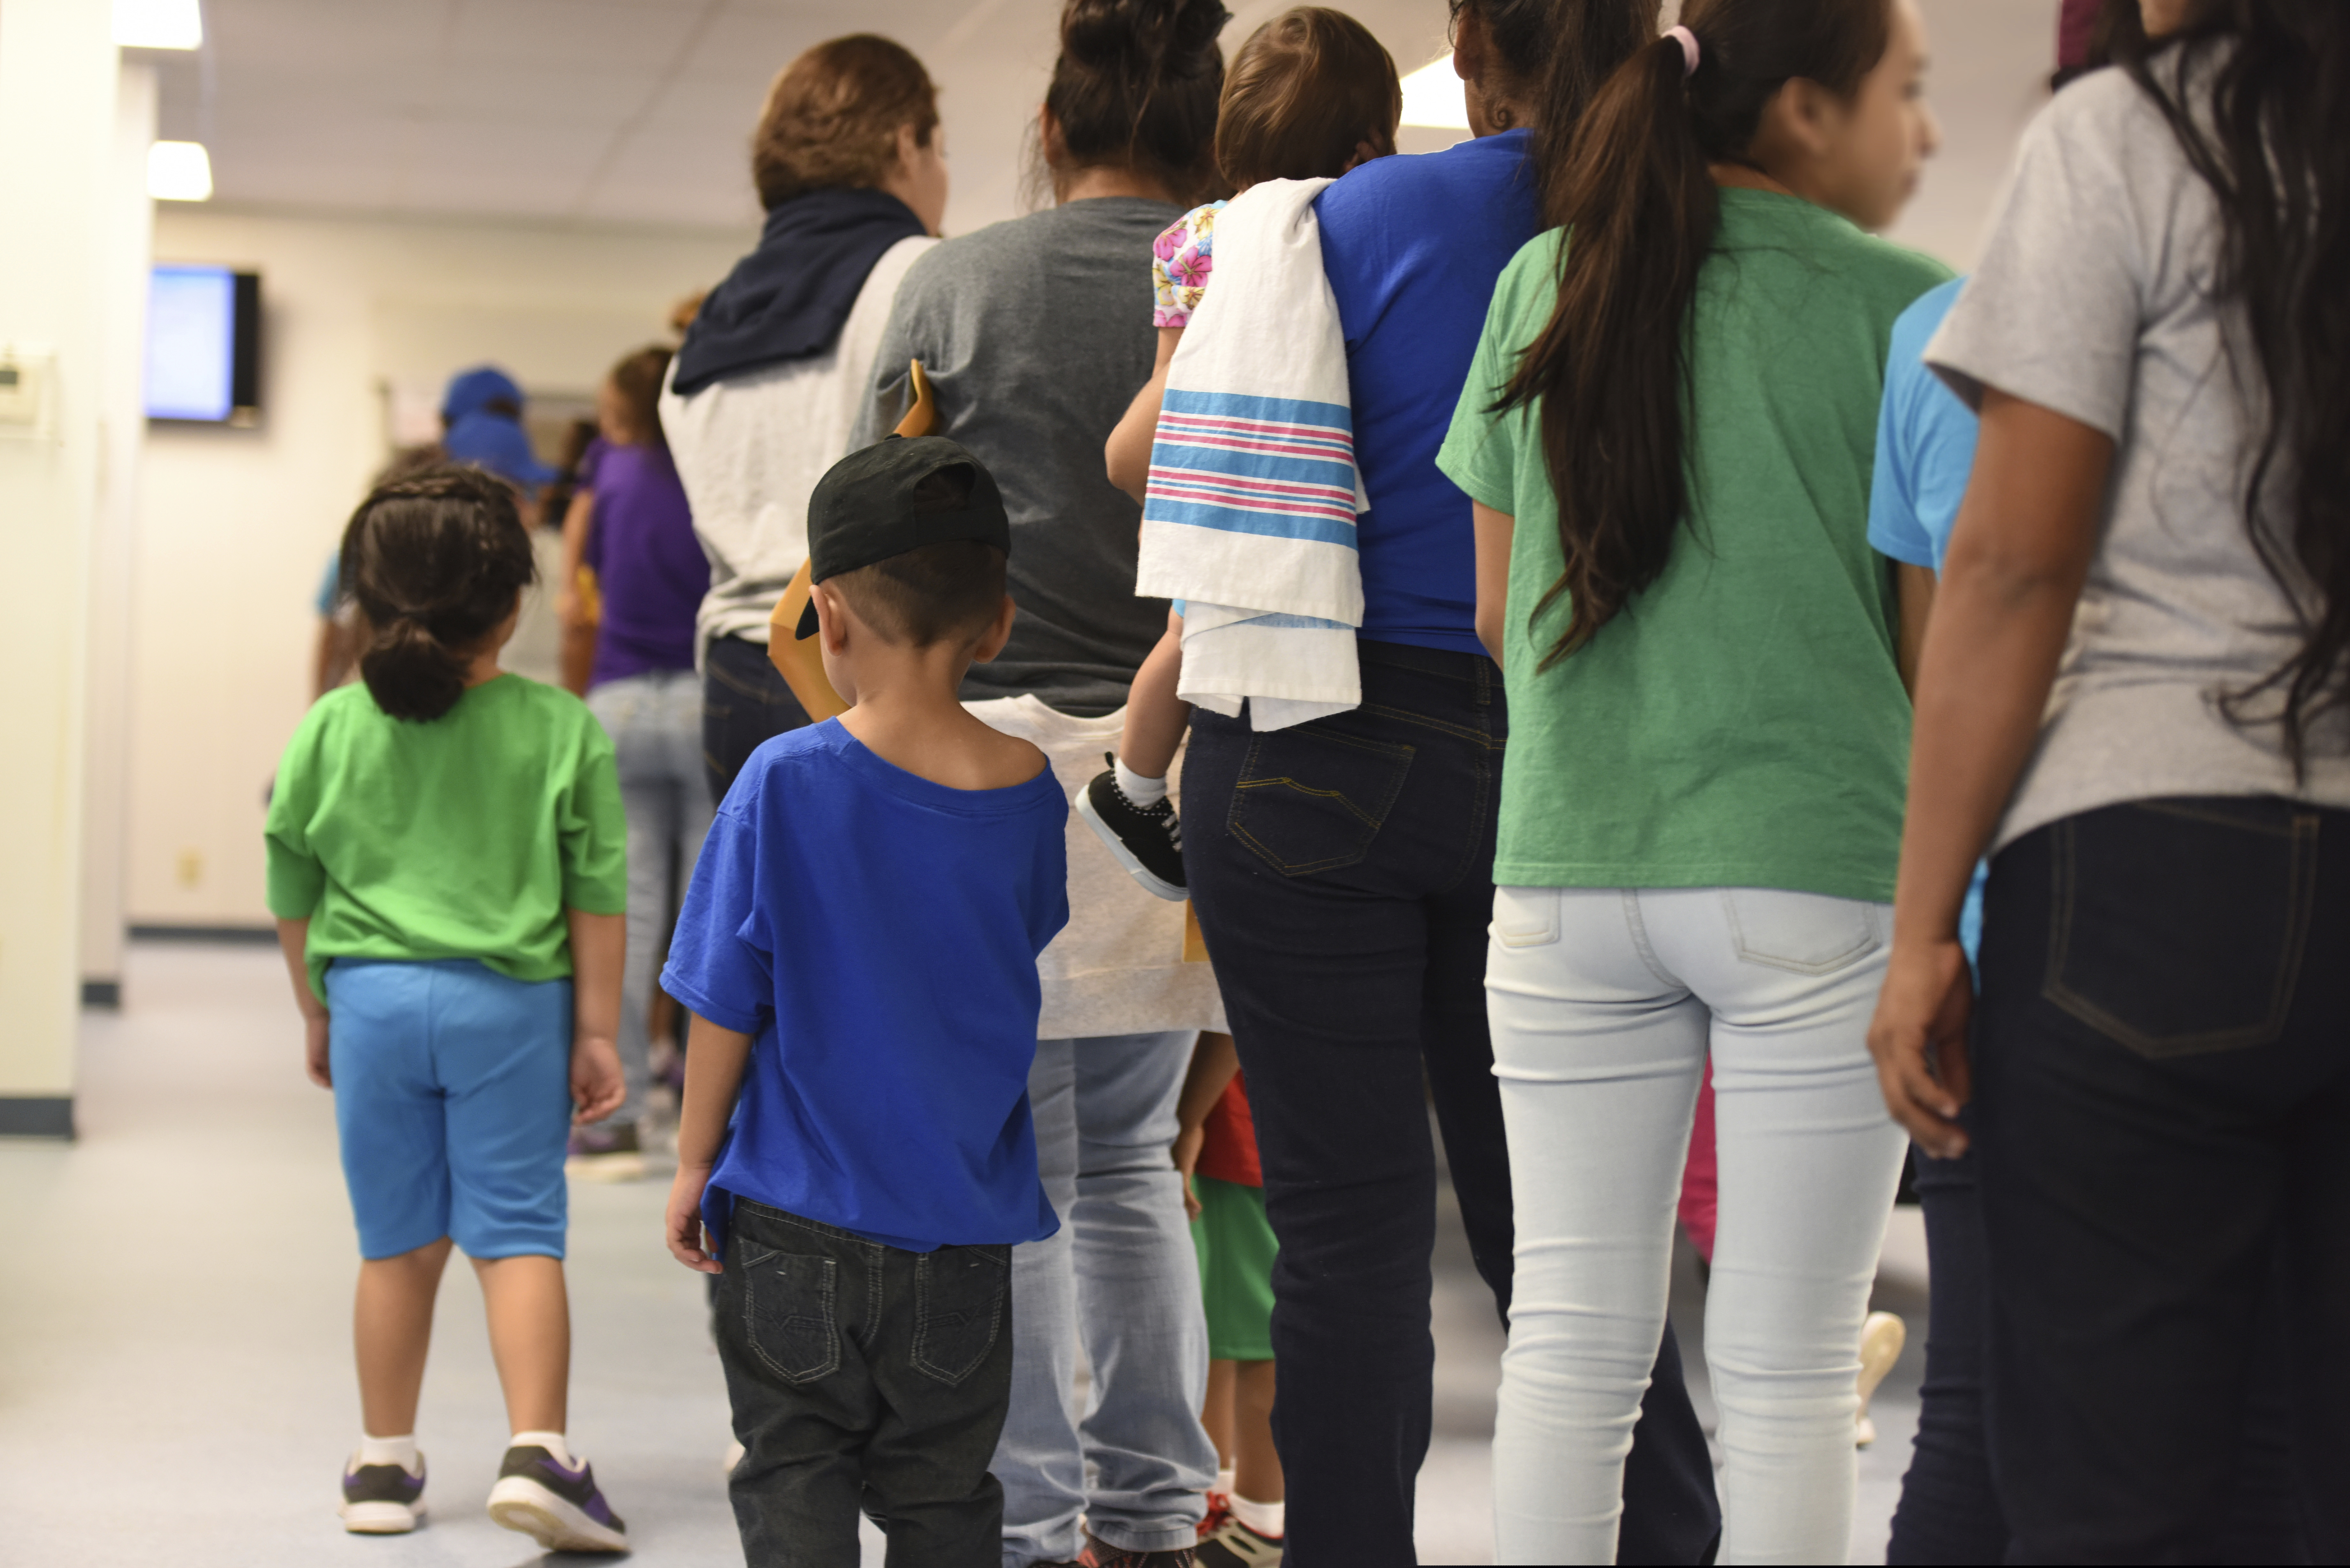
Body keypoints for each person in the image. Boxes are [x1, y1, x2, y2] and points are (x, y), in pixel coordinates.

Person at [1177, 2, 1721, 1561]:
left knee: (1339, 1237)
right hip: (1551, 751)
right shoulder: (1683, 221)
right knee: (1565, 1236)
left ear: (1470, 48)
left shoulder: (1342, 218)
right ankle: (1664, 1540)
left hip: (1303, 742)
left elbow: (1166, 458)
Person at [1438, 0, 1949, 1555]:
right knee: (1787, 1366)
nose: (1921, 133)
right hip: (1815, 866)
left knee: (1571, 1346)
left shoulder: (1548, 275)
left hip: (1563, 865)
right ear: (1801, 110)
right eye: (1906, 94)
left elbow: (1489, 609)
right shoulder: (1913, 309)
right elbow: (1945, 655)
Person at [1866, 0, 2350, 1557]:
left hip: (2145, 872)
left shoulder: (2126, 134)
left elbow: (2008, 562)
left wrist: (1925, 926)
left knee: (2111, 1505)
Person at [849, 4, 1236, 1561]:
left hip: (976, 767)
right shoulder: (1242, 276)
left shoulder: (951, 283)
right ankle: (1148, 1505)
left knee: (999, 1157)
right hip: (1172, 754)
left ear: (1050, 132)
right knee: (1135, 1164)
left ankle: (1016, 1515)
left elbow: (865, 531)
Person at [659, 437, 1065, 1566]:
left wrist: (695, 1162)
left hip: (794, 1216)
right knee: (943, 1495)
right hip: (962, 1231)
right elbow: (1018, 938)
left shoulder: (785, 780)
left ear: (826, 619)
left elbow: (723, 996)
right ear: (999, 624)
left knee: (795, 1471)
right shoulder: (1032, 791)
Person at [264, 466, 632, 1552]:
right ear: (515, 604)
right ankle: (539, 1451)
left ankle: (383, 1463)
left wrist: (315, 1009)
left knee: (395, 1244)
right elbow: (596, 892)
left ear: (367, 600)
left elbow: (291, 885)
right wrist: (599, 1027)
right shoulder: (560, 730)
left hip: (371, 1003)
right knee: (517, 1235)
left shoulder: (327, 729)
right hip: (510, 1007)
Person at [1078, 7, 1403, 900]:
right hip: (1272, 471)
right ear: (1370, 150)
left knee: (1186, 633)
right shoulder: (1339, 233)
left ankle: (1137, 783)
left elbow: (1167, 383)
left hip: (1201, 457)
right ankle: (1130, 787)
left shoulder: (1191, 237)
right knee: (1193, 635)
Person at [660, 34, 947, 805]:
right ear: (903, 143)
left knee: (765, 922)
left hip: (729, 676)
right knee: (878, 923)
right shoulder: (919, 277)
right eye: (937, 150)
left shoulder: (707, 321)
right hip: (858, 672)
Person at [551, 345, 712, 1179]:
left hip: (617, 704)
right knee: (707, 918)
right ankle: (700, 1111)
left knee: (630, 910)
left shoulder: (606, 474)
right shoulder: (712, 463)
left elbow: (574, 601)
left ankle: (610, 1120)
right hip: (702, 699)